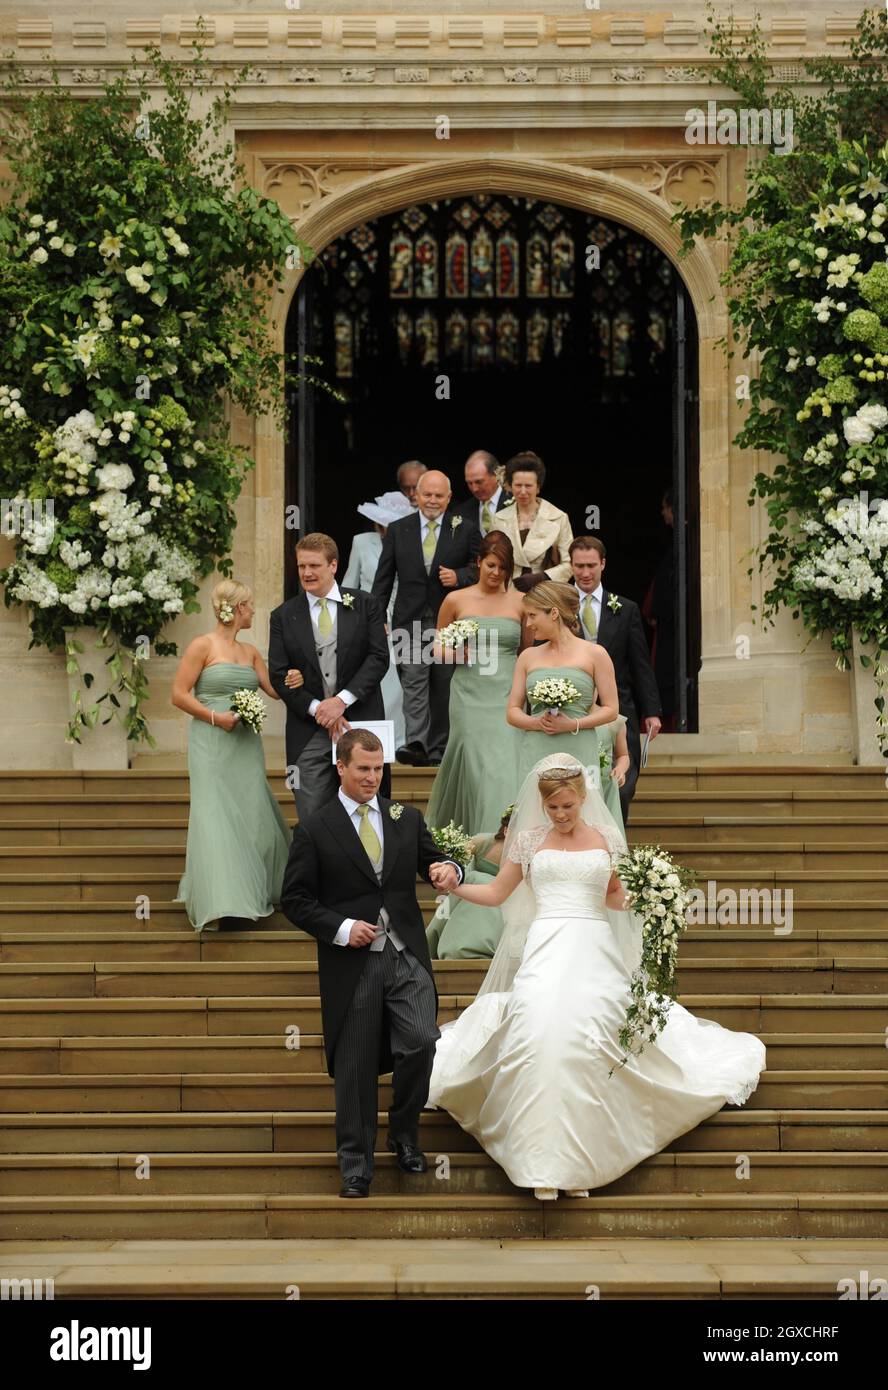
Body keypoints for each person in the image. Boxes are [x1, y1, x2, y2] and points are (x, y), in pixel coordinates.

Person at [428, 753, 766, 1200]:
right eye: (553, 808)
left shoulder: (606, 838)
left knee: (590, 1035)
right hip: (546, 945)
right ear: (542, 804)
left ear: (583, 797)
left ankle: (580, 1162)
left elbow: (614, 898)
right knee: (536, 1033)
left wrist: (653, 896)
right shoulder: (528, 841)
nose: (561, 815)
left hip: (592, 945)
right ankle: (542, 1162)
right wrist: (456, 887)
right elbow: (495, 892)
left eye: (568, 806)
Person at [280, 728, 465, 1198]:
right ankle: (356, 1165)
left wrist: (449, 869)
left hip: (406, 953)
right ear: (340, 767)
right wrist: (342, 928)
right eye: (363, 769)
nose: (372, 777)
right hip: (353, 964)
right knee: (356, 1065)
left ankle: (404, 1135)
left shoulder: (406, 816)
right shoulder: (315, 828)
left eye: (378, 768)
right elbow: (295, 900)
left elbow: (434, 861)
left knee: (422, 1041)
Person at [172, 579, 296, 932]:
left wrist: (298, 678)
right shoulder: (202, 646)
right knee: (215, 814)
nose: (254, 610)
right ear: (238, 608)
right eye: (250, 605)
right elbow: (178, 695)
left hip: (245, 744)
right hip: (211, 741)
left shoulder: (250, 652)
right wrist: (217, 717)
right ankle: (223, 900)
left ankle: (255, 888)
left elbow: (274, 691)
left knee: (253, 812)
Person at [268, 532, 390, 821]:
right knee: (313, 818)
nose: (307, 573)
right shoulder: (283, 616)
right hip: (307, 730)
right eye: (301, 567)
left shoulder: (366, 604)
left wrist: (341, 701)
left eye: (314, 566)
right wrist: (319, 709)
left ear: (333, 566)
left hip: (360, 720)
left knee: (368, 813)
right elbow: (277, 673)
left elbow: (378, 658)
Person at [372, 469, 481, 767]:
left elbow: (482, 568)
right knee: (414, 680)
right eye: (427, 494)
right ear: (415, 496)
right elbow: (384, 577)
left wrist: (459, 576)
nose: (432, 500)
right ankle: (416, 743)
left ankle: (440, 749)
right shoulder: (398, 529)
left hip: (449, 620)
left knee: (443, 684)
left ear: (449, 498)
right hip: (410, 619)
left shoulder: (467, 528)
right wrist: (376, 617)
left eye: (438, 495)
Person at [425, 530, 525, 832]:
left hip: (507, 694)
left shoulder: (521, 601)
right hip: (469, 695)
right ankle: (473, 840)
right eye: (491, 565)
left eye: (504, 567)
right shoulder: (455, 599)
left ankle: (499, 841)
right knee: (477, 769)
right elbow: (436, 646)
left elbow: (527, 653)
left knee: (502, 769)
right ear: (479, 562)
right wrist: (455, 653)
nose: (497, 573)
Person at [570, 535, 661, 823]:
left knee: (622, 785)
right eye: (579, 566)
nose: (585, 573)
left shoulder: (626, 608)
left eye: (591, 566)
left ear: (603, 564)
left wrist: (652, 711)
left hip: (620, 712)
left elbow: (640, 664)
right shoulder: (558, 607)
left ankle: (616, 850)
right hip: (574, 711)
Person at [507, 579, 619, 794]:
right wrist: (537, 723)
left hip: (579, 747)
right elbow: (512, 712)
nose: (528, 624)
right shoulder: (527, 657)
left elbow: (611, 710)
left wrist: (573, 724)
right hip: (536, 748)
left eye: (532, 615)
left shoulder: (595, 654)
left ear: (554, 613)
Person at [343, 490, 414, 748]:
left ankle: (398, 741)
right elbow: (350, 584)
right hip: (368, 620)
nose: (387, 528)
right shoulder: (361, 542)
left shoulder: (411, 542)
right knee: (377, 679)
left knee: (402, 681)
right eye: (384, 522)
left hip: (404, 618)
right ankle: (368, 740)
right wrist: (351, 619)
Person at [426, 806, 512, 960]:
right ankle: (457, 943)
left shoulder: (531, 848)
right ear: (505, 830)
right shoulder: (485, 842)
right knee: (475, 879)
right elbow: (458, 861)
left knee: (479, 880)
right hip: (478, 897)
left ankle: (479, 945)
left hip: (508, 897)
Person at [495, 451, 574, 590]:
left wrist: (542, 577)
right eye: (518, 485)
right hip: (506, 592)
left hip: (545, 592)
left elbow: (570, 563)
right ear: (510, 486)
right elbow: (491, 558)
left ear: (538, 487)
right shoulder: (499, 518)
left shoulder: (558, 517)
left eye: (528, 486)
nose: (523, 491)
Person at [643, 489, 677, 731]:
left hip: (672, 628)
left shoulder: (682, 545)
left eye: (665, 507)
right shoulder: (674, 545)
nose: (662, 513)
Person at [456, 449, 510, 534]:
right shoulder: (461, 512)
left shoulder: (516, 502)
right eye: (469, 483)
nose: (474, 489)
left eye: (479, 482)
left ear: (496, 475)